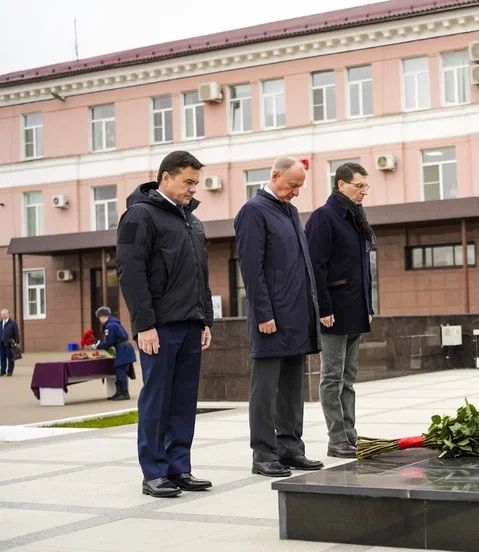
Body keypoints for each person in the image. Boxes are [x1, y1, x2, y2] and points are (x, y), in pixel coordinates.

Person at [116, 150, 214, 498]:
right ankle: (154, 472)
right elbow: (130, 272)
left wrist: (205, 319)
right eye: (188, 182)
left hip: (190, 325)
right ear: (166, 178)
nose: (193, 189)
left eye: (196, 183)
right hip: (158, 328)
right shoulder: (138, 216)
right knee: (157, 399)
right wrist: (144, 325)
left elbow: (201, 274)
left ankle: (179, 467)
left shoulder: (192, 221)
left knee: (184, 400)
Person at [234, 156, 324, 477]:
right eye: (292, 185)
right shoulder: (253, 211)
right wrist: (263, 313)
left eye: (300, 187)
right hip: (271, 318)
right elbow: (251, 268)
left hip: (297, 316)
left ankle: (290, 449)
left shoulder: (290, 211)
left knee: (291, 389)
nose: (296, 192)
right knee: (265, 388)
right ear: (275, 176)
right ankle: (263, 454)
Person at [305, 162, 374, 458]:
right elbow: (315, 267)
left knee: (349, 378)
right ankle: (336, 438)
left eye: (366, 186)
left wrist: (368, 306)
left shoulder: (356, 217)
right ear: (341, 184)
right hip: (333, 312)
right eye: (359, 186)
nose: (363, 192)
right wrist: (323, 308)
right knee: (332, 377)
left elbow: (364, 268)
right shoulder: (324, 217)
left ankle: (350, 434)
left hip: (355, 309)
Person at [92, 306, 136, 400]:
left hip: (122, 350)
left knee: (120, 372)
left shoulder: (110, 326)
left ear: (102, 316)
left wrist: (98, 346)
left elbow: (110, 342)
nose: (99, 320)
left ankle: (123, 394)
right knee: (121, 371)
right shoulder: (114, 323)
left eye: (99, 318)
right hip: (124, 348)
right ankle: (120, 393)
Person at [0, 308, 21, 377]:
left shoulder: (13, 323)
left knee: (10, 358)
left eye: (4, 314)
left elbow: (16, 332)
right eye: (2, 314)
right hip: (1, 344)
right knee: (2, 358)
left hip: (9, 343)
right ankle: (3, 371)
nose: (3, 315)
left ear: (8, 314)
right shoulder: (0, 323)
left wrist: (17, 341)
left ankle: (10, 371)